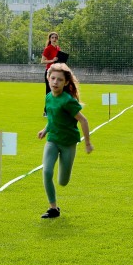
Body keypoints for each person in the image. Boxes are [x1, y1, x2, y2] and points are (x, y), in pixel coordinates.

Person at [37, 63, 93, 219]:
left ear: (66, 82)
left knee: (63, 181)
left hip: (68, 143)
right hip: (53, 140)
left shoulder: (68, 101)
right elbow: (53, 118)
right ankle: (53, 208)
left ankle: (64, 174)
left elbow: (84, 121)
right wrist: (45, 130)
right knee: (47, 172)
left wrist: (87, 143)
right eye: (53, 78)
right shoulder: (48, 97)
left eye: (59, 80)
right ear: (48, 79)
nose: (55, 82)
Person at [40, 32, 61, 116]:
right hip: (49, 72)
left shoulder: (58, 48)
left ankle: (55, 110)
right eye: (52, 37)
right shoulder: (48, 49)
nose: (54, 39)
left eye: (56, 37)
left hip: (57, 72)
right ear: (50, 39)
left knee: (57, 92)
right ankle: (46, 111)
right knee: (49, 92)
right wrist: (52, 60)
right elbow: (42, 61)